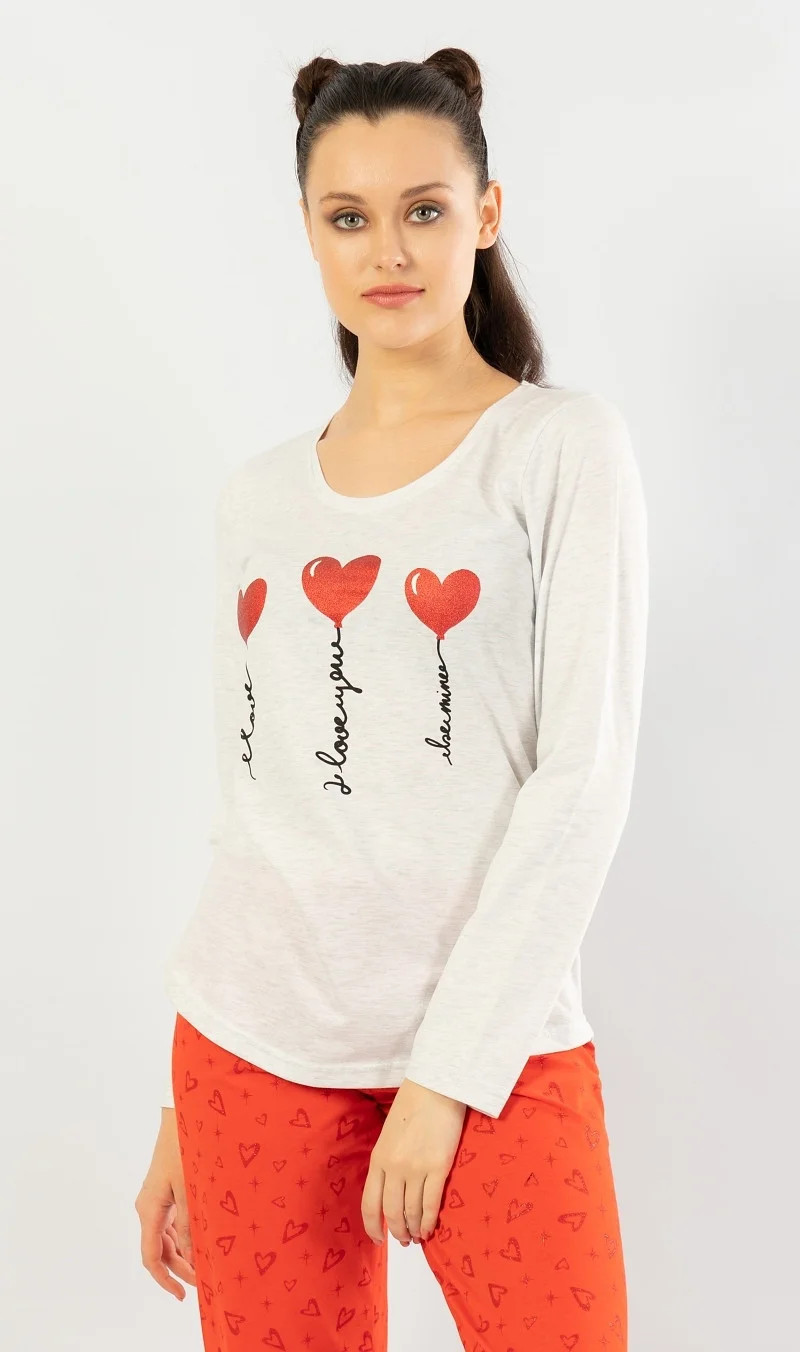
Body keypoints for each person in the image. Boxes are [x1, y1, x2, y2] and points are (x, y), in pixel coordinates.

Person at [135, 46, 648, 1352]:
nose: (391, 250)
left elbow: (582, 778)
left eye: (424, 208)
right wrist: (180, 1111)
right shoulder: (258, 499)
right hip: (250, 1049)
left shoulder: (557, 449)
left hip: (496, 1051)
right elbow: (256, 806)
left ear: (487, 211)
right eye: (348, 217)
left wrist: (446, 1076)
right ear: (308, 232)